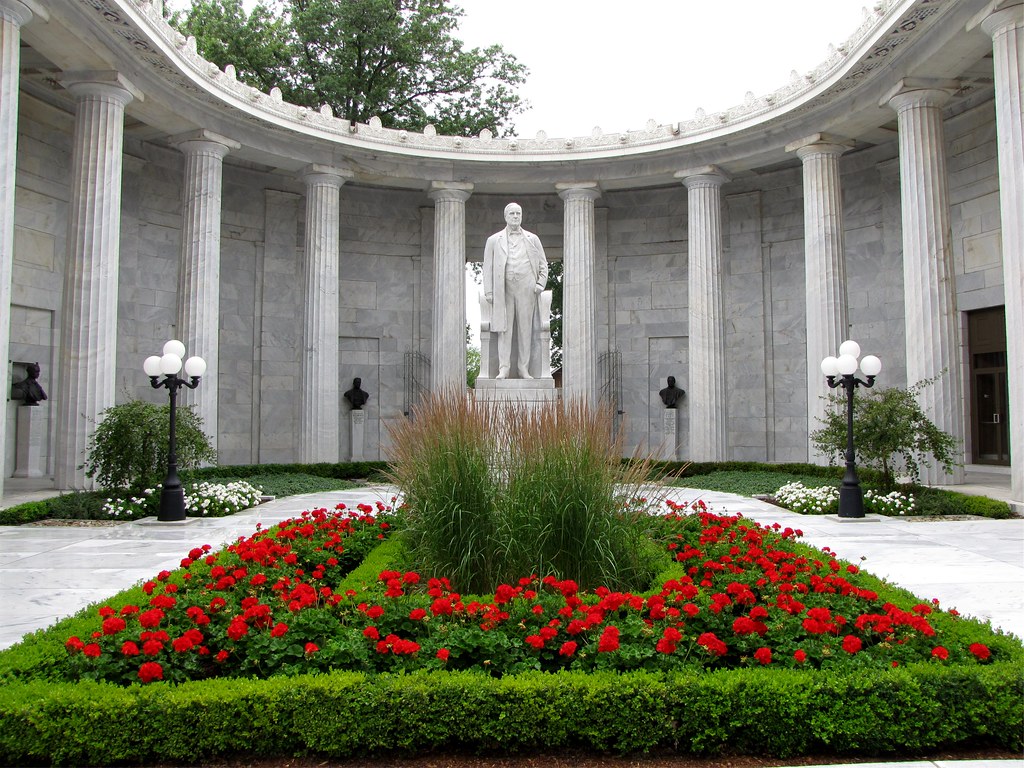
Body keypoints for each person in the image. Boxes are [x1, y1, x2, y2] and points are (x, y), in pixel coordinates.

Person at [483, 202, 548, 379]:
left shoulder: (532, 238)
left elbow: (543, 264)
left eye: (518, 213)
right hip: (503, 289)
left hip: (526, 288)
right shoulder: (493, 240)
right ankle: (504, 368)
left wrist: (539, 285)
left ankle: (523, 368)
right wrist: (489, 292)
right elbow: (487, 267)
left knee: (525, 330)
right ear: (505, 216)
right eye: (512, 213)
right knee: (504, 329)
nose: (515, 216)